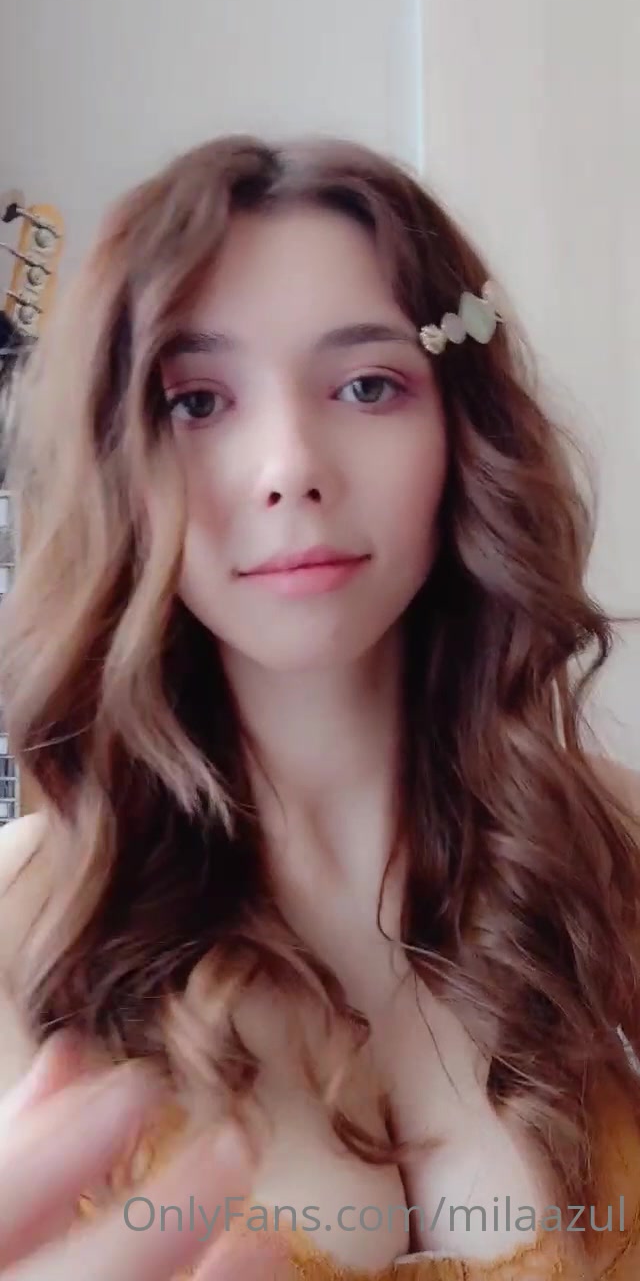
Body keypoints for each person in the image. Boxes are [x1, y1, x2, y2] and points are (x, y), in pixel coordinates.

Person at [0, 133, 639, 1281]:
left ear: (461, 431)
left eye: (366, 386)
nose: (286, 466)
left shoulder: (617, 851)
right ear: (115, 460)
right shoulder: (26, 926)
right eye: (197, 400)